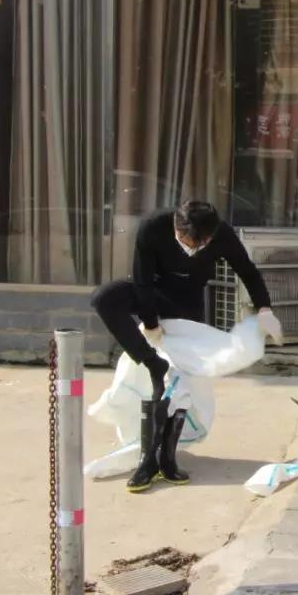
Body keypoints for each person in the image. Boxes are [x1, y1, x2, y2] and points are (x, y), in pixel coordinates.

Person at [91, 199, 283, 491]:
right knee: (105, 298)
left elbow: (247, 271)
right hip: (153, 293)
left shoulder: (222, 235)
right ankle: (152, 365)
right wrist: (151, 325)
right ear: (176, 228)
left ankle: (165, 459)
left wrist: (265, 309)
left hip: (187, 305)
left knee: (179, 383)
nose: (193, 249)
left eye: (201, 244)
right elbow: (142, 280)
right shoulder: (153, 227)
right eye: (187, 242)